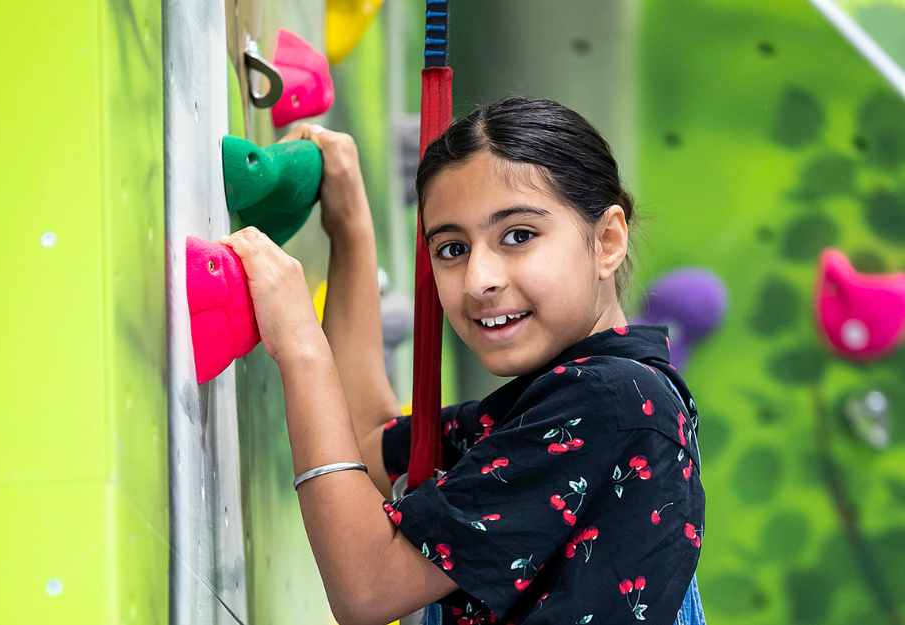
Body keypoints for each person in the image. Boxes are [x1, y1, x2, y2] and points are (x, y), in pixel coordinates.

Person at [218, 97, 706, 625]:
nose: (480, 279)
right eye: (452, 248)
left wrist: (300, 347)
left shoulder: (607, 402)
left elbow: (367, 588)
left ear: (607, 240)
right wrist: (351, 231)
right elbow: (369, 442)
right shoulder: (560, 400)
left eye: (518, 236)